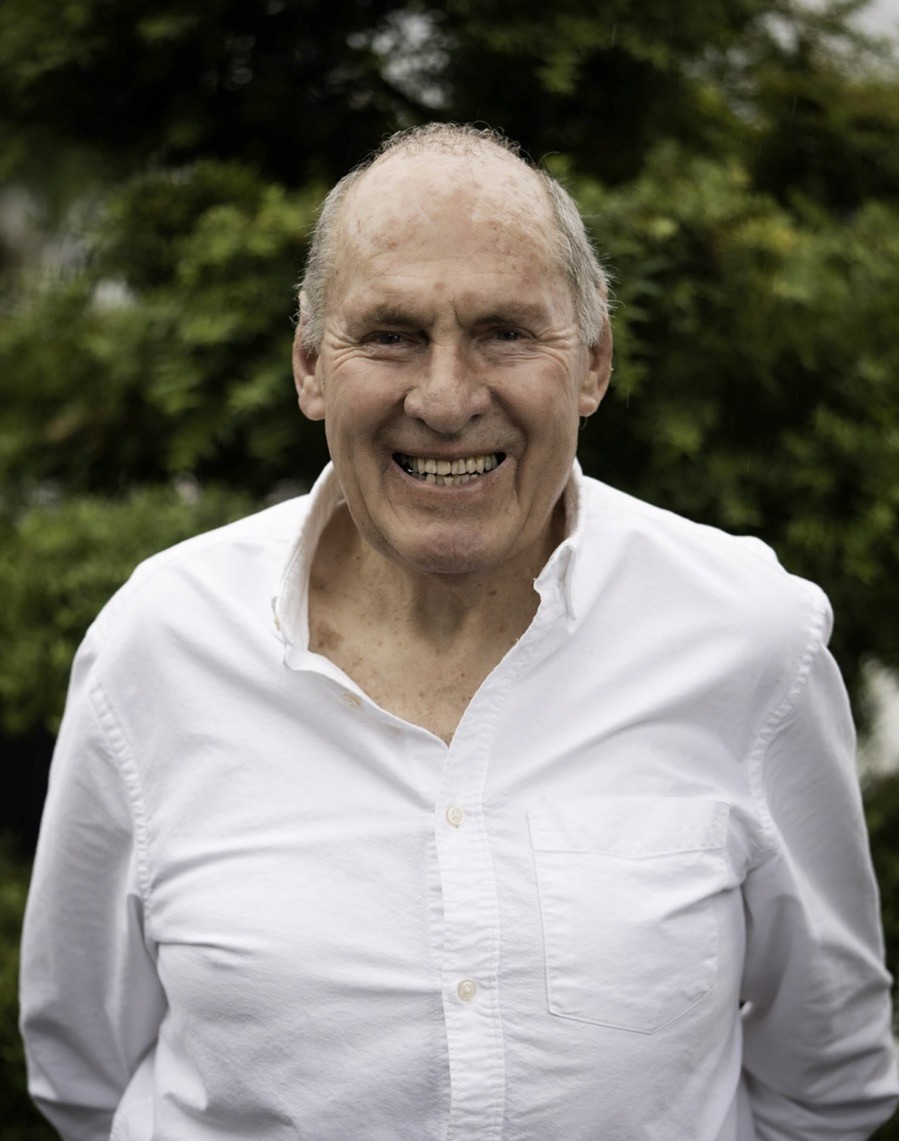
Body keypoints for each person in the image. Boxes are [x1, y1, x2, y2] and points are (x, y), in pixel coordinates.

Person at [19, 122, 898, 1140]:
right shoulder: (157, 646)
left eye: (505, 333)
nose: (444, 399)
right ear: (309, 367)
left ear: (592, 364)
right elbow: (85, 1073)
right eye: (389, 334)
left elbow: (825, 1082)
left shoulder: (749, 638)